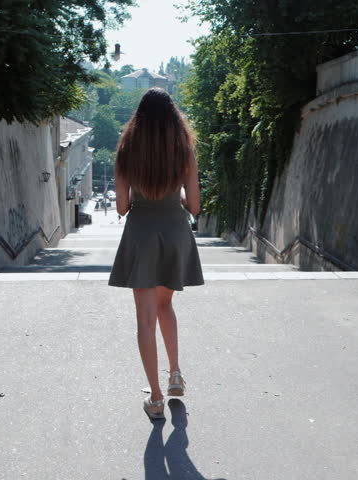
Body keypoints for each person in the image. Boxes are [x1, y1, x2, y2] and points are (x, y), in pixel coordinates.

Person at [108, 88, 204, 420]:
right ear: (173, 117)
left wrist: (142, 198)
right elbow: (194, 206)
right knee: (166, 305)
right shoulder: (184, 151)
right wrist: (174, 199)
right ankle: (175, 374)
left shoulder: (126, 151)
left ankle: (156, 397)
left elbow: (122, 207)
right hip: (175, 231)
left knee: (145, 320)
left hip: (141, 234)